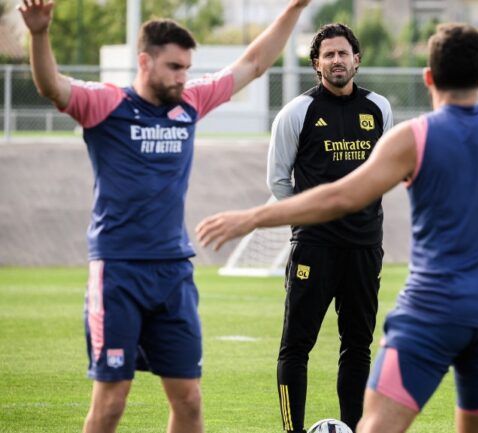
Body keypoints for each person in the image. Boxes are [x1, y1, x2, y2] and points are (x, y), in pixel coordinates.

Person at [196, 25, 478, 433]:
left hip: (430, 316)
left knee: (375, 422)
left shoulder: (412, 137)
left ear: (428, 79)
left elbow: (341, 196)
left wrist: (253, 217)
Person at [17, 0, 311, 432]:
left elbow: (253, 63)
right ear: (144, 61)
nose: (182, 77)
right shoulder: (106, 104)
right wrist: (39, 34)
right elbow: (52, 87)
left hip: (173, 273)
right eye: (174, 66)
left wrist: (295, 7)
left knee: (189, 400)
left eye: (187, 67)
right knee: (112, 401)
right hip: (118, 272)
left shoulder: (189, 102)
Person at [264, 23, 392, 433]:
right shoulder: (296, 113)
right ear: (316, 64)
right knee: (296, 347)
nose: (337, 60)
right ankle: (292, 430)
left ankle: (355, 428)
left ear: (357, 59)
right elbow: (278, 181)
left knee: (357, 347)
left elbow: (385, 172)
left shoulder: (379, 109)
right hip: (314, 248)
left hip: (364, 248)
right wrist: (309, 217)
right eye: (328, 55)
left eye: (344, 53)